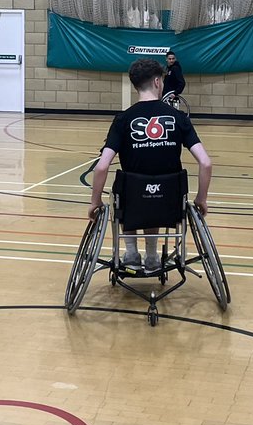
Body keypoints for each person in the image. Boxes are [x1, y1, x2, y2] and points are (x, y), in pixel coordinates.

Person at [89, 58, 212, 273]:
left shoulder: (123, 119)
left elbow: (101, 167)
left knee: (130, 192)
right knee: (156, 194)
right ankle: (153, 256)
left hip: (133, 198)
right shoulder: (179, 117)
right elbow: (205, 162)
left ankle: (131, 253)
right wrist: (201, 198)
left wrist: (94, 201)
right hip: (169, 200)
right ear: (157, 82)